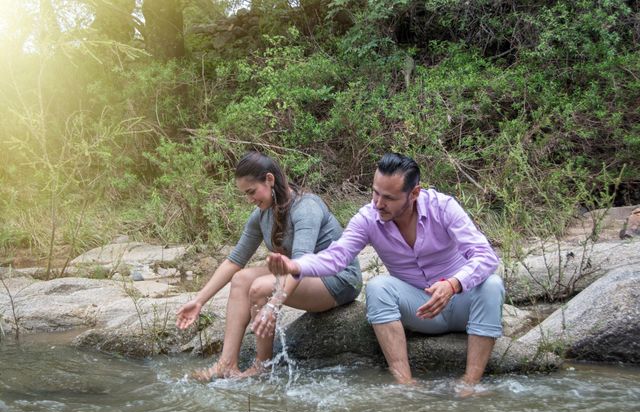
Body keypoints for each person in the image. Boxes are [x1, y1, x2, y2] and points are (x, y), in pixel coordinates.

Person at [267, 153, 504, 387]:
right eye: (375, 192)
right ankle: (406, 384)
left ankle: (470, 384)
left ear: (414, 193)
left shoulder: (442, 207)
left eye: (389, 197)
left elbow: (486, 256)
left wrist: (453, 284)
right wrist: (295, 265)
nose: (378, 203)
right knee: (378, 287)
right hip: (420, 308)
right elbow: (337, 257)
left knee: (492, 285)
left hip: (462, 302)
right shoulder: (369, 217)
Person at [175, 151, 361, 380]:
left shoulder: (306, 207)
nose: (249, 199)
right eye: (245, 194)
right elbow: (234, 261)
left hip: (338, 279)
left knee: (260, 287)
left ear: (270, 180)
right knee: (241, 279)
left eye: (252, 192)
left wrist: (273, 305)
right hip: (301, 274)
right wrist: (199, 301)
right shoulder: (261, 215)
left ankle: (262, 367)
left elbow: (300, 266)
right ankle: (226, 364)